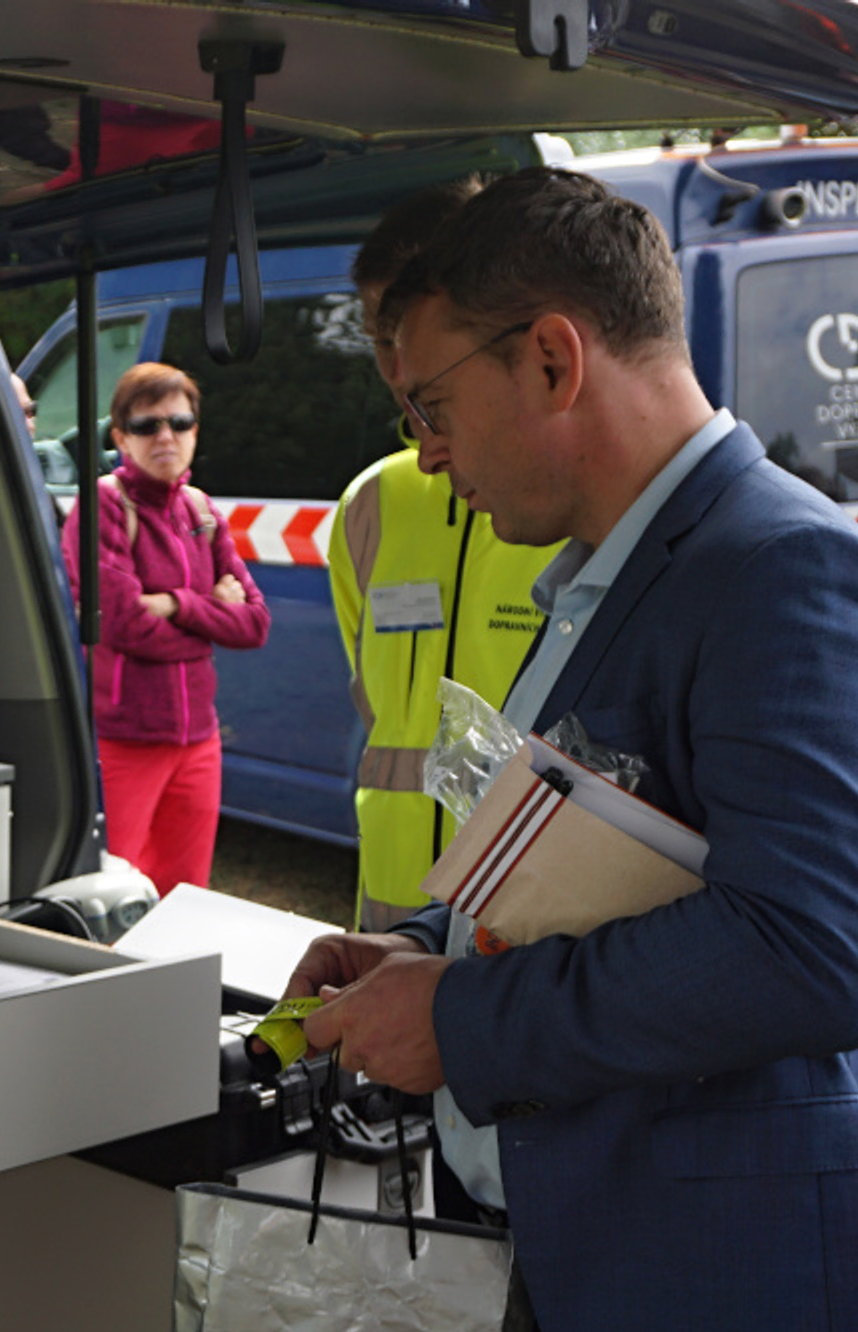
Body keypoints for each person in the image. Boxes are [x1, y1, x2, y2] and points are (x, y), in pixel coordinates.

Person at [290, 167, 858, 1332]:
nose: (432, 459)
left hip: (702, 1324)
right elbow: (596, 862)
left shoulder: (781, 571)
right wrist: (424, 950)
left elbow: (815, 949)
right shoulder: (616, 569)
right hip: (596, 1282)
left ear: (556, 356)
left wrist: (462, 1026)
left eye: (433, 411)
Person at [334, 180, 557, 933]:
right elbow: (373, 708)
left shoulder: (568, 506)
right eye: (376, 337)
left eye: (408, 335)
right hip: (391, 923)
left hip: (519, 932)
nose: (396, 370)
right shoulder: (371, 504)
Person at [61, 361, 269, 894]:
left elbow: (255, 624)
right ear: (120, 438)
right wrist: (210, 610)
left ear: (196, 432)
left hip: (199, 739)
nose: (165, 437)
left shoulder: (201, 511)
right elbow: (125, 625)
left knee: (186, 896)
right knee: (118, 894)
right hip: (124, 739)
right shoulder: (103, 505)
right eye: (146, 425)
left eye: (179, 423)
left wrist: (177, 604)